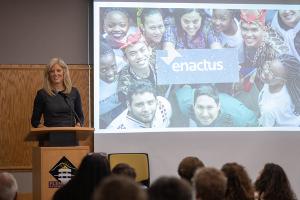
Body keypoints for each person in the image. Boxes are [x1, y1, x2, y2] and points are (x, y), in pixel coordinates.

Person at [31, 57, 84, 128]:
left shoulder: (74, 92)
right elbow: (35, 121)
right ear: (48, 75)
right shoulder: (42, 94)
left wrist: (78, 125)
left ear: (64, 72)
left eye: (59, 70)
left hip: (70, 135)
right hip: (49, 136)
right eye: (52, 71)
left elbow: (80, 117)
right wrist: (43, 128)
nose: (55, 74)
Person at [108, 80, 172, 129]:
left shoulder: (163, 105)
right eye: (139, 105)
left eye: (150, 103)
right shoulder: (115, 131)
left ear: (156, 101)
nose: (146, 109)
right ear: (129, 106)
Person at [258, 54, 300, 126]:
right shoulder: (273, 82)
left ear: (282, 81)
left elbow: (265, 133)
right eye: (268, 65)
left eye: (272, 73)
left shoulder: (268, 109)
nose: (265, 71)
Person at [117, 30, 156, 102]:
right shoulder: (124, 87)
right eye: (132, 53)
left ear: (149, 50)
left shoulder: (160, 61)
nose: (139, 56)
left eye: (142, 50)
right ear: (125, 59)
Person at [99, 40, 124, 128]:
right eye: (103, 70)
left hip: (122, 108)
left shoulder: (123, 64)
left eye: (113, 66)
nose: (110, 73)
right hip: (101, 117)